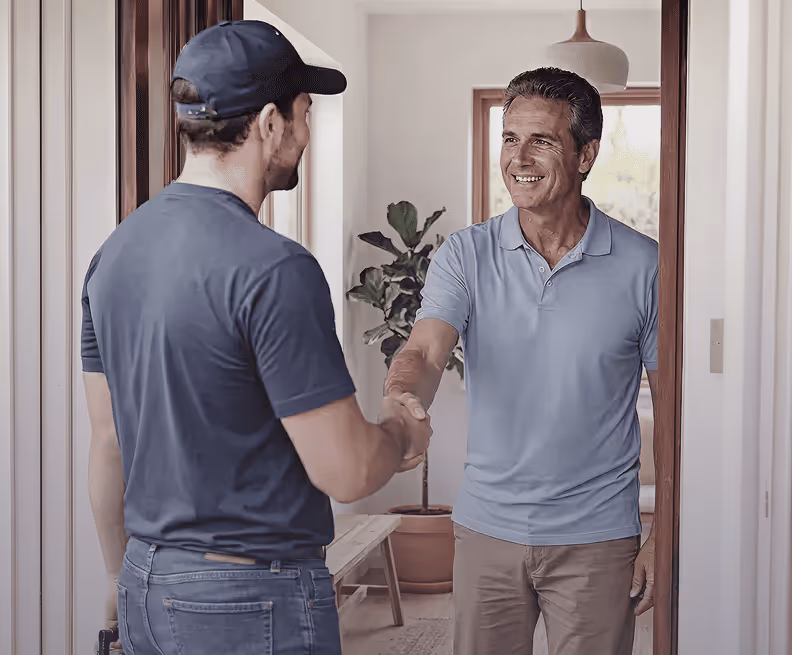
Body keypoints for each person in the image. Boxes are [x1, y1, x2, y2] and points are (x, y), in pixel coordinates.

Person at [82, 20, 431, 655]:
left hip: (145, 581)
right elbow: (347, 470)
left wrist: (116, 577)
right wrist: (401, 430)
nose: (307, 130)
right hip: (245, 601)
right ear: (270, 123)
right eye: (304, 112)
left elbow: (109, 442)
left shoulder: (114, 254)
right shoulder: (275, 269)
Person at [385, 67, 660, 655]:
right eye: (509, 138)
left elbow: (675, 406)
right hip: (488, 528)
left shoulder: (645, 266)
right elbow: (425, 350)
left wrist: (666, 530)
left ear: (586, 154)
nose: (518, 158)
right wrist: (402, 396)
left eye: (541, 140)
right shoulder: (466, 253)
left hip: (598, 536)